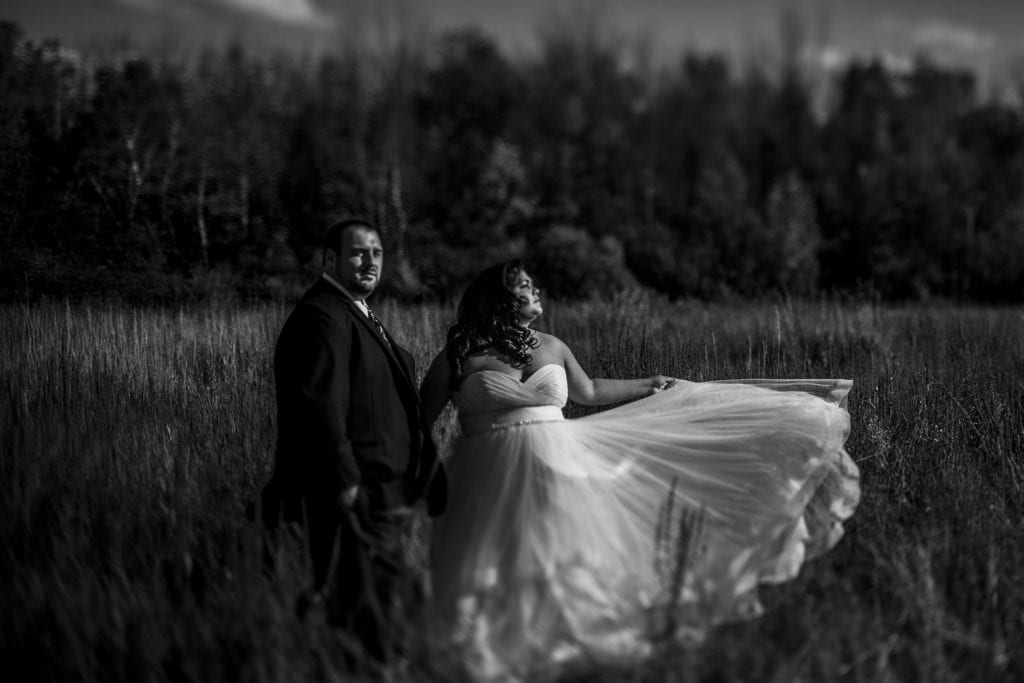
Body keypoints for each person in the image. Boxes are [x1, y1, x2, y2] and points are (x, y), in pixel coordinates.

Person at [420, 260, 859, 681]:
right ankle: (496, 653)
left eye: (534, 284)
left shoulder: (551, 345)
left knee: (559, 550)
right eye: (524, 285)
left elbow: (589, 391)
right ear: (498, 297)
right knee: (495, 558)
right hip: (487, 471)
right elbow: (420, 419)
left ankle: (560, 650)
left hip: (557, 461)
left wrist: (649, 384)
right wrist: (423, 472)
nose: (536, 290)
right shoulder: (458, 354)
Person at [256, 218, 447, 663]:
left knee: (372, 598)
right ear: (330, 259)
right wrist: (345, 481)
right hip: (358, 488)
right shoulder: (323, 315)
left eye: (376, 253)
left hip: (383, 487)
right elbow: (320, 404)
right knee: (372, 605)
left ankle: (344, 658)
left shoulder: (354, 313)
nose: (370, 261)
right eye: (359, 252)